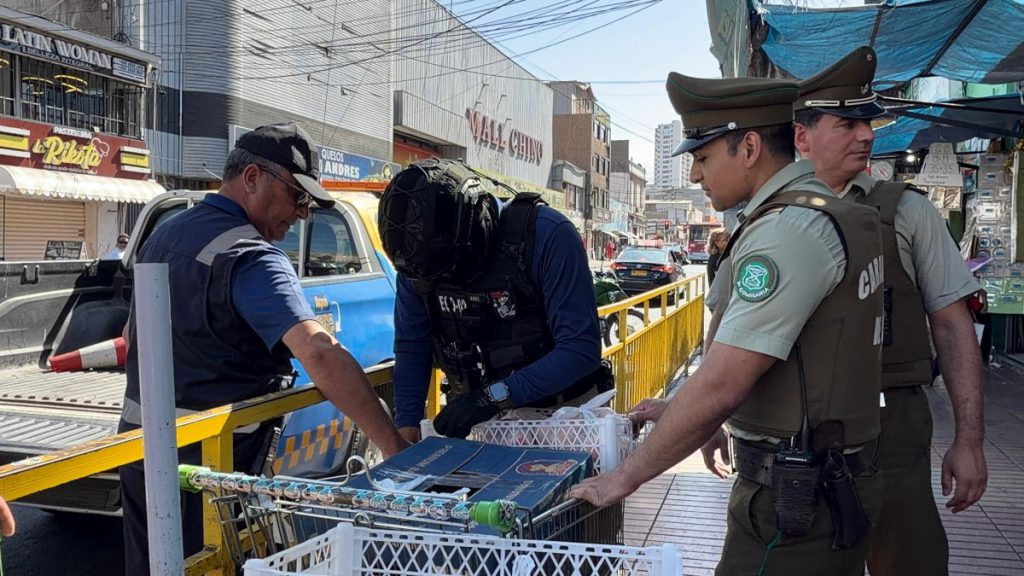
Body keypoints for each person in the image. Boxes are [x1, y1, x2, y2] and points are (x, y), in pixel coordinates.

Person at [570, 72, 886, 576]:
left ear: (750, 147)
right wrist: (688, 413)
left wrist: (624, 476)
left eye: (702, 157)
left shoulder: (789, 231)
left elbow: (722, 382)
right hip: (824, 479)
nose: (696, 176)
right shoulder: (821, 212)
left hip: (798, 498)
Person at [117, 122, 409, 575]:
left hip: (140, 455)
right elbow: (318, 351)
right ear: (252, 178)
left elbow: (134, 337)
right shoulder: (250, 254)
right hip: (211, 471)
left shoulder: (164, 234)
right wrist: (391, 444)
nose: (303, 214)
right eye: (298, 196)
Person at [791, 46, 987, 576]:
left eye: (868, 122)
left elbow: (952, 323)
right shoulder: (770, 214)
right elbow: (728, 326)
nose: (867, 135)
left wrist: (968, 441)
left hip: (891, 426)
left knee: (908, 560)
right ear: (802, 136)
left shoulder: (906, 210)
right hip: (795, 429)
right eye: (848, 123)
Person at [378, 158, 607, 441]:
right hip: (480, 421)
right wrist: (406, 432)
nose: (447, 280)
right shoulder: (418, 261)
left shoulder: (547, 236)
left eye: (453, 270)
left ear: (477, 230)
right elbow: (413, 347)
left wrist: (493, 397)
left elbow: (580, 349)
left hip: (565, 418)